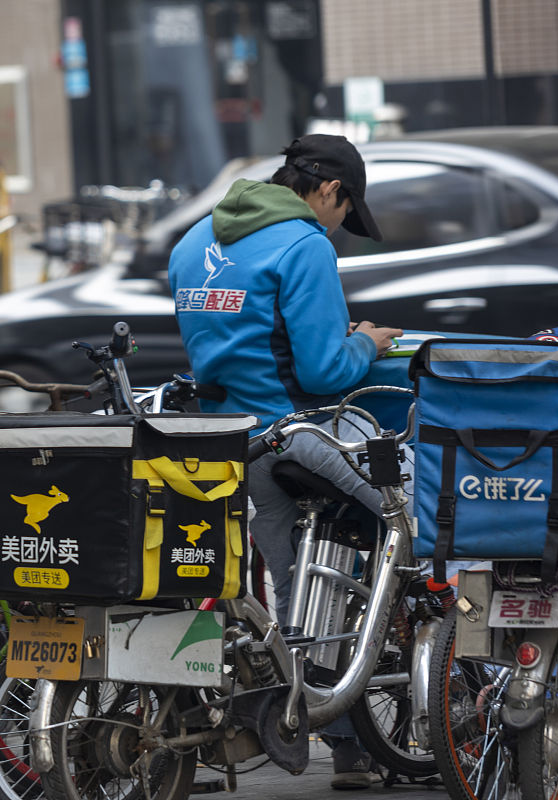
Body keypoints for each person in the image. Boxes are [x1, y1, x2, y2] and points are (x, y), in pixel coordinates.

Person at [168, 134, 402, 790]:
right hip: (297, 436)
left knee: (291, 594)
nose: (340, 228)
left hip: (227, 445)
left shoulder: (191, 244)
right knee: (402, 515)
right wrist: (363, 340)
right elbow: (324, 369)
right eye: (344, 212)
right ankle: (355, 730)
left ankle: (338, 738)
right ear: (329, 190)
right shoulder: (305, 247)